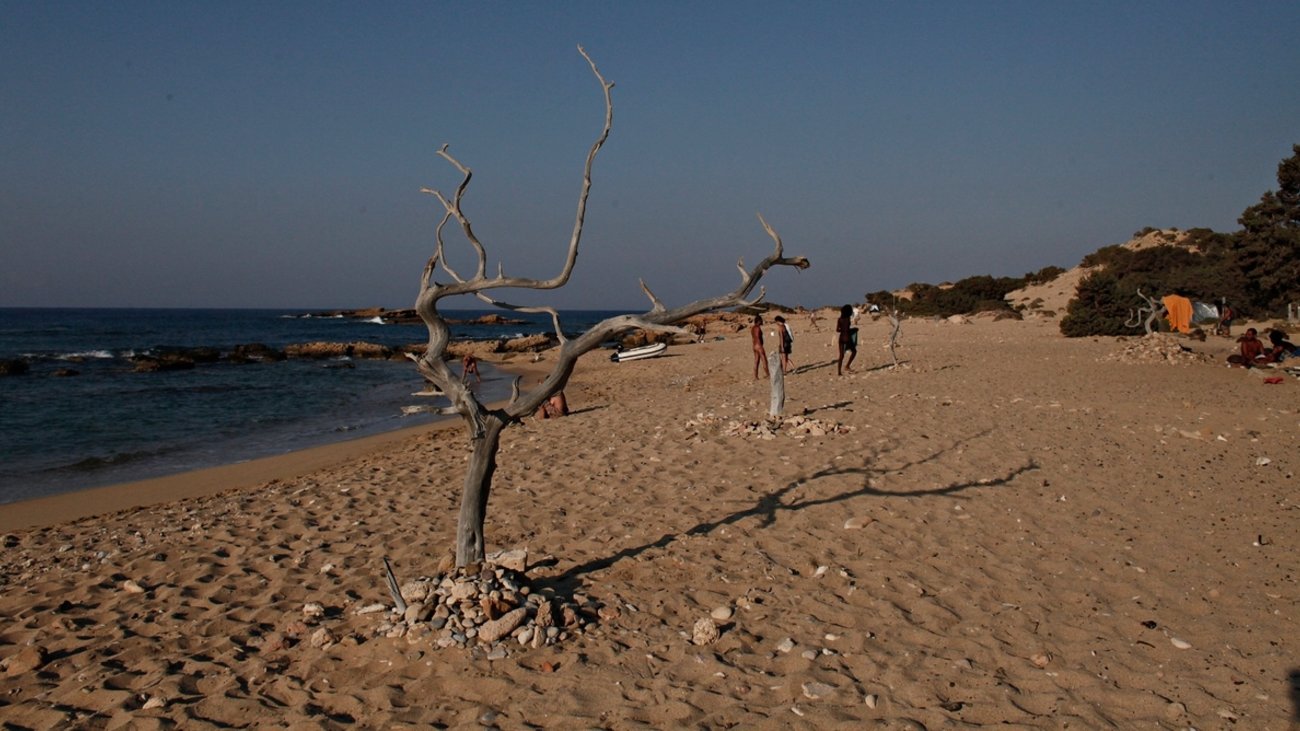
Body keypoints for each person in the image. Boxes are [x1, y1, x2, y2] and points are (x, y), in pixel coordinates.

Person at [836, 304, 857, 375]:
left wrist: (842, 330)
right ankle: (847, 366)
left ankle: (839, 372)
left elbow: (837, 330)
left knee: (841, 355)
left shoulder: (839, 319)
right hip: (847, 338)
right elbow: (848, 330)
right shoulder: (847, 319)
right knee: (854, 351)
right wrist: (854, 330)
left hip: (841, 338)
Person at [751, 315, 770, 379]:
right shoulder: (757, 328)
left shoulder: (753, 328)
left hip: (754, 346)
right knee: (764, 360)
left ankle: (756, 376)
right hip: (759, 346)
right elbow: (757, 337)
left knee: (756, 361)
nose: (762, 321)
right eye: (761, 320)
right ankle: (768, 375)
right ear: (759, 321)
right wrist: (760, 344)